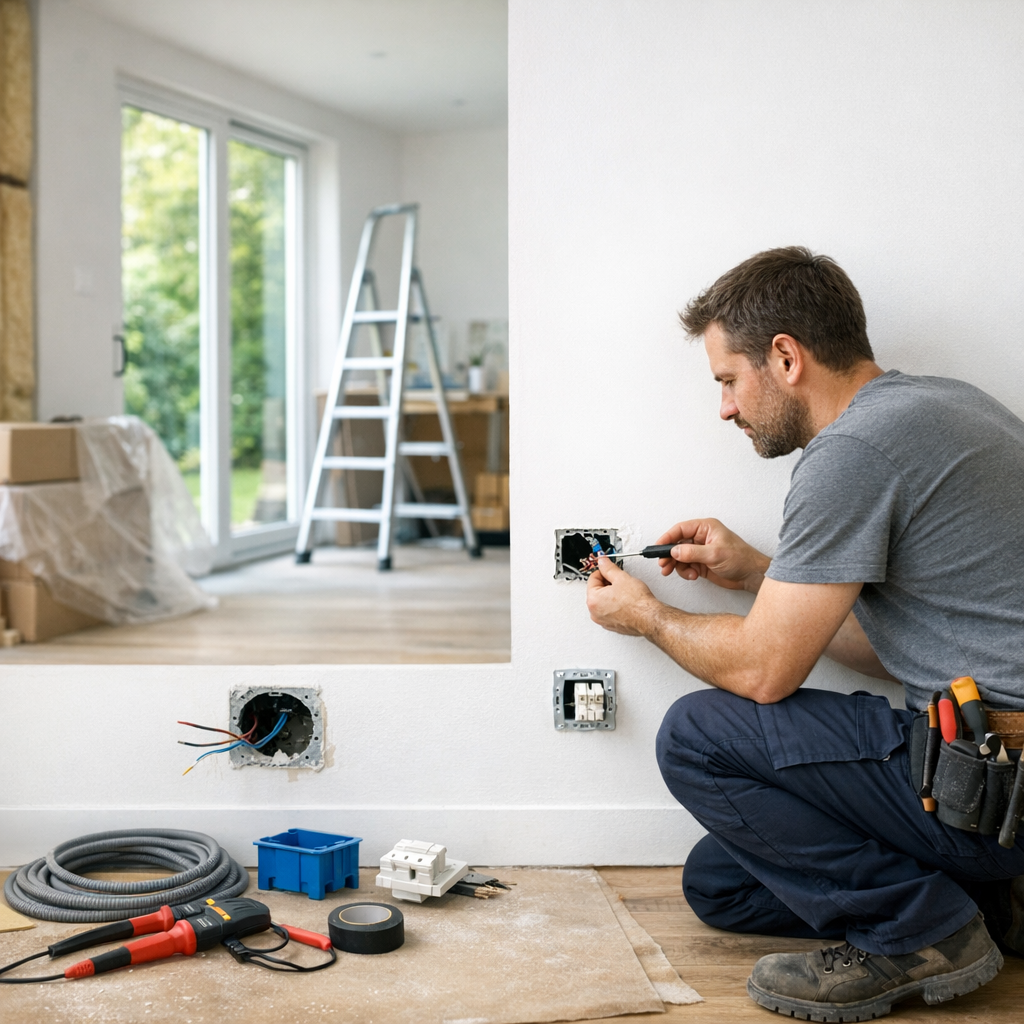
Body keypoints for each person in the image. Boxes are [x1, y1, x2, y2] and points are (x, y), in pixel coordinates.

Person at [585, 246, 1024, 1021]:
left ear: (785, 357)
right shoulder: (939, 406)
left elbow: (763, 674)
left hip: (994, 783)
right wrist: (759, 571)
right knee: (719, 881)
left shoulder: (852, 452)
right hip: (995, 781)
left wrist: (647, 617)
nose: (725, 407)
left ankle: (919, 931)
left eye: (728, 379)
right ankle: (995, 904)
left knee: (696, 734)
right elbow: (892, 645)